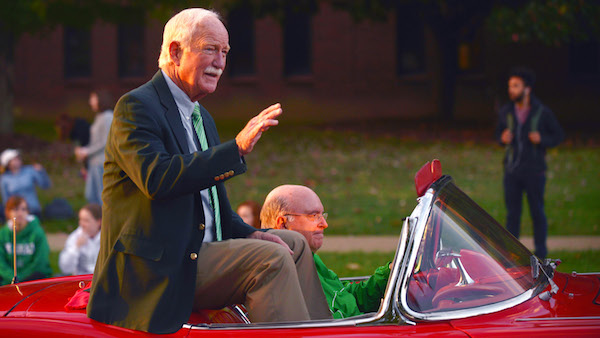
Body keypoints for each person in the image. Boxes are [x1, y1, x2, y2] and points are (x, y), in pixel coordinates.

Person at [87, 8, 330, 334]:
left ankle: (325, 332)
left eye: (225, 52)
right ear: (175, 52)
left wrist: (251, 233)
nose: (220, 62)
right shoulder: (136, 107)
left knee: (293, 244)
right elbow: (157, 179)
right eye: (210, 49)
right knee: (270, 259)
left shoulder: (203, 118)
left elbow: (212, 209)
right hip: (160, 267)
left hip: (201, 251)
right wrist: (235, 149)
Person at [260, 185, 391, 319]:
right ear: (282, 224)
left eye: (322, 215)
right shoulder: (282, 273)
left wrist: (390, 272)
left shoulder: (306, 258)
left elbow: (344, 297)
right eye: (313, 216)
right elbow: (331, 323)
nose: (324, 224)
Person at [495, 67, 564, 260]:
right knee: (512, 215)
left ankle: (541, 254)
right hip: (511, 171)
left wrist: (542, 139)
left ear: (527, 89)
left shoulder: (541, 112)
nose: (511, 90)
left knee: (537, 212)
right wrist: (502, 138)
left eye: (516, 86)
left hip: (534, 172)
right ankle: (511, 256)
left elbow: (558, 135)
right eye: (510, 86)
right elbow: (497, 134)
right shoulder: (506, 111)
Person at [0, 196, 52, 285]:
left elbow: (40, 261)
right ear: (8, 212)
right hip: (7, 281)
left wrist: (20, 279)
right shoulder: (3, 234)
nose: (20, 213)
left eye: (23, 209)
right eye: (15, 209)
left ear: (28, 211)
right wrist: (12, 277)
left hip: (32, 279)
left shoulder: (37, 232)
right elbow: (1, 264)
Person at [74, 89, 114, 205]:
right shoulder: (99, 116)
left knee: (101, 197)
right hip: (93, 163)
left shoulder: (108, 117)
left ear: (101, 100)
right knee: (91, 196)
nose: (90, 102)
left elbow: (106, 141)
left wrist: (87, 151)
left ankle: (102, 222)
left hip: (101, 163)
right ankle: (95, 220)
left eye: (93, 99)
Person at [0, 149, 52, 219]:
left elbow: (46, 185)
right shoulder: (5, 178)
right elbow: (6, 199)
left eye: (18, 158)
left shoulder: (29, 171)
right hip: (17, 213)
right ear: (8, 163)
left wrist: (41, 172)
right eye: (14, 159)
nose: (17, 160)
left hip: (33, 210)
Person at [59, 203, 102, 275]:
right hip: (81, 281)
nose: (82, 224)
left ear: (99, 222)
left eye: (86, 220)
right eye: (81, 220)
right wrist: (76, 247)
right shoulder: (75, 237)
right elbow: (65, 268)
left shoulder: (106, 238)